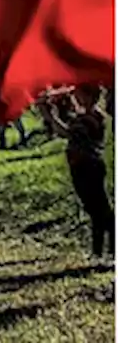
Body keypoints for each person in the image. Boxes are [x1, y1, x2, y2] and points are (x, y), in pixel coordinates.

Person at [45, 86, 114, 260]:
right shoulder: (85, 116)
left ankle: (112, 247)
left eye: (79, 94)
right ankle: (98, 251)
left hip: (89, 166)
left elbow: (68, 133)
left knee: (100, 209)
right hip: (81, 166)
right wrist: (50, 115)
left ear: (90, 96)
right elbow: (66, 130)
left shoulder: (93, 117)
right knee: (94, 209)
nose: (75, 96)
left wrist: (51, 115)